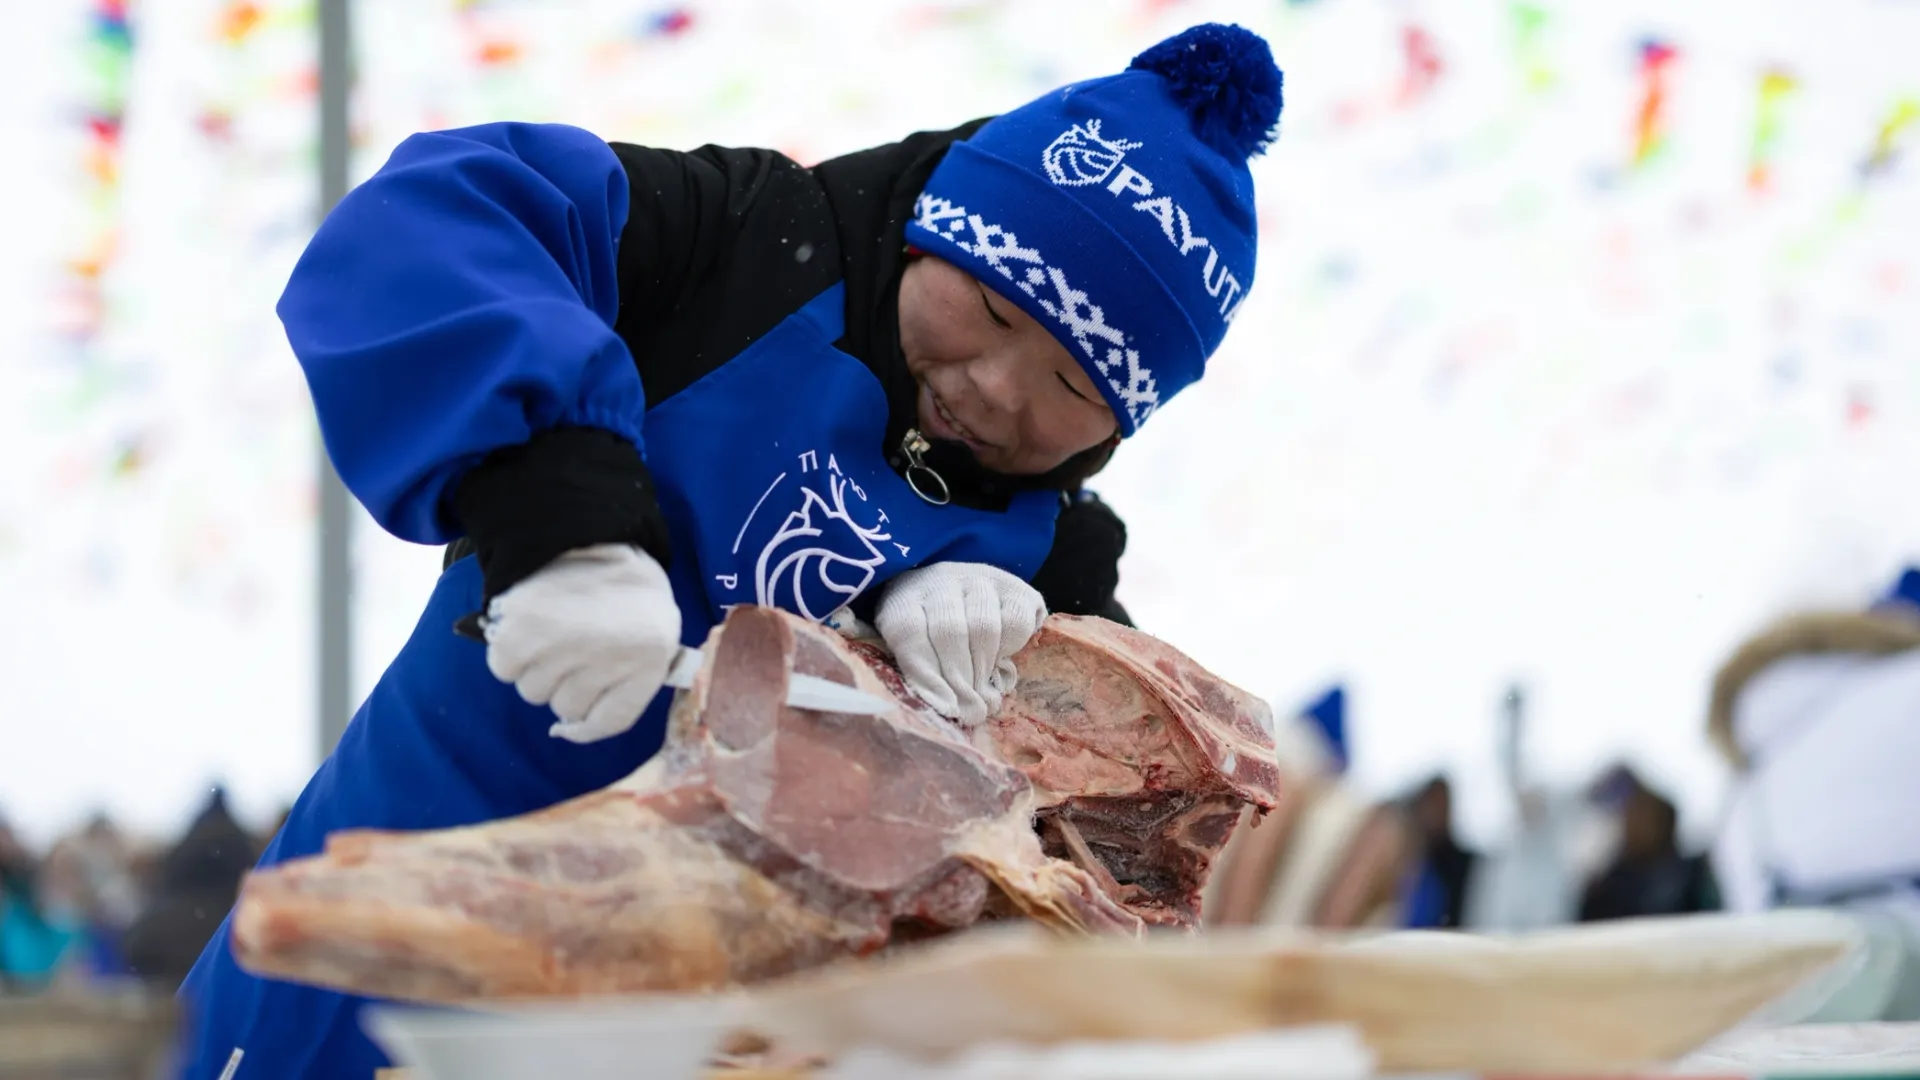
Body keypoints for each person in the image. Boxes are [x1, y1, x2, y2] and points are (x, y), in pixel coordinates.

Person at [174, 22, 1284, 1079]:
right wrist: (560, 514)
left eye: (1072, 385)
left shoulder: (1055, 553)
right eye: (990, 310)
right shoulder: (743, 247)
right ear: (932, 230)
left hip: (704, 1044)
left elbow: (1089, 869)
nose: (997, 390)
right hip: (385, 938)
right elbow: (444, 215)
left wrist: (996, 677)